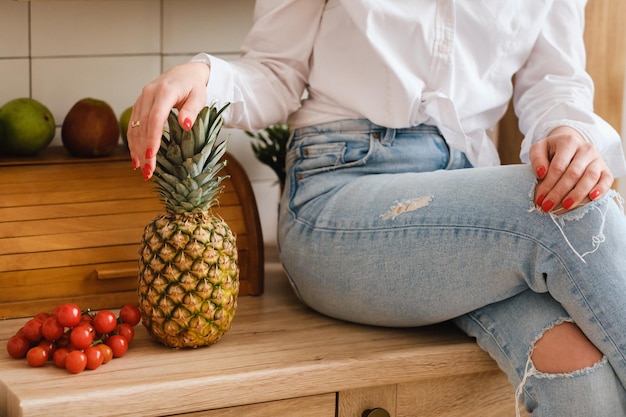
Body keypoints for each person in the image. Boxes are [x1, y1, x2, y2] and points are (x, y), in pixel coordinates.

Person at [127, 1, 626, 415]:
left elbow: (554, 82)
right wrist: (205, 77)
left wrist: (568, 131)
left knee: (577, 364)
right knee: (577, 211)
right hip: (341, 194)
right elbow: (275, 73)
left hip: (469, 205)